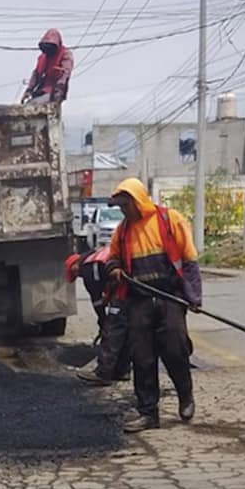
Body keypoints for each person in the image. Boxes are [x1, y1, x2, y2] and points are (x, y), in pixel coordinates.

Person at [105, 178, 202, 432]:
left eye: (126, 205)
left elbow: (190, 260)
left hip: (170, 296)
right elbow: (112, 257)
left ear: (138, 201)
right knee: (142, 357)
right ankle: (148, 412)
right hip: (139, 300)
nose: (123, 210)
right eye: (121, 207)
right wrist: (115, 269)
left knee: (175, 348)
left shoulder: (169, 220)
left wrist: (194, 298)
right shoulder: (123, 230)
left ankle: (186, 396)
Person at [64, 247, 131, 386]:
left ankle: (103, 373)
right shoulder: (95, 256)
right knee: (124, 329)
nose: (79, 276)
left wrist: (103, 321)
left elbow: (97, 300)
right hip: (127, 285)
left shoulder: (88, 267)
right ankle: (122, 370)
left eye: (75, 273)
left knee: (112, 330)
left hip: (123, 287)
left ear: (76, 265)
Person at [21, 28, 74, 104]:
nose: (48, 50)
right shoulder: (42, 58)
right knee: (29, 104)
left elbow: (65, 73)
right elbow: (36, 75)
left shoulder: (65, 54)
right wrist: (28, 90)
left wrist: (59, 89)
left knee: (36, 104)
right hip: (41, 90)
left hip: (55, 91)